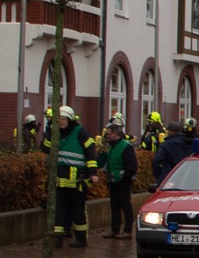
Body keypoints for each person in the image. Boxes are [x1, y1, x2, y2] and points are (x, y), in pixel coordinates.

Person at [40, 105, 98, 247]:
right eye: (58, 119)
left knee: (78, 211)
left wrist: (92, 173)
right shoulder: (56, 132)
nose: (60, 121)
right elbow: (45, 147)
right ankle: (57, 239)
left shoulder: (81, 132)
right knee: (58, 211)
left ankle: (81, 239)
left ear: (70, 119)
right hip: (60, 180)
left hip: (77, 181)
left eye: (63, 118)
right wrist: (49, 131)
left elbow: (90, 152)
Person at [98, 123, 138, 239]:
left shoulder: (126, 146)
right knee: (114, 206)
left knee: (125, 205)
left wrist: (125, 179)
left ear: (116, 133)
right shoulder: (112, 146)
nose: (107, 136)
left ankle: (128, 230)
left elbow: (132, 166)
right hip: (113, 181)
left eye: (109, 133)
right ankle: (114, 230)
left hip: (123, 181)